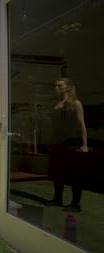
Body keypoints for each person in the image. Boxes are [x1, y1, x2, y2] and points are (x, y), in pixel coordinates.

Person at [45, 78, 88, 212]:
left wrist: (85, 144)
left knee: (75, 174)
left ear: (68, 87)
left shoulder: (76, 103)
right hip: (57, 142)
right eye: (55, 86)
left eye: (59, 86)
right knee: (58, 173)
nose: (56, 88)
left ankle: (76, 204)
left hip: (72, 142)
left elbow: (82, 124)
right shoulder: (56, 104)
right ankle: (58, 199)